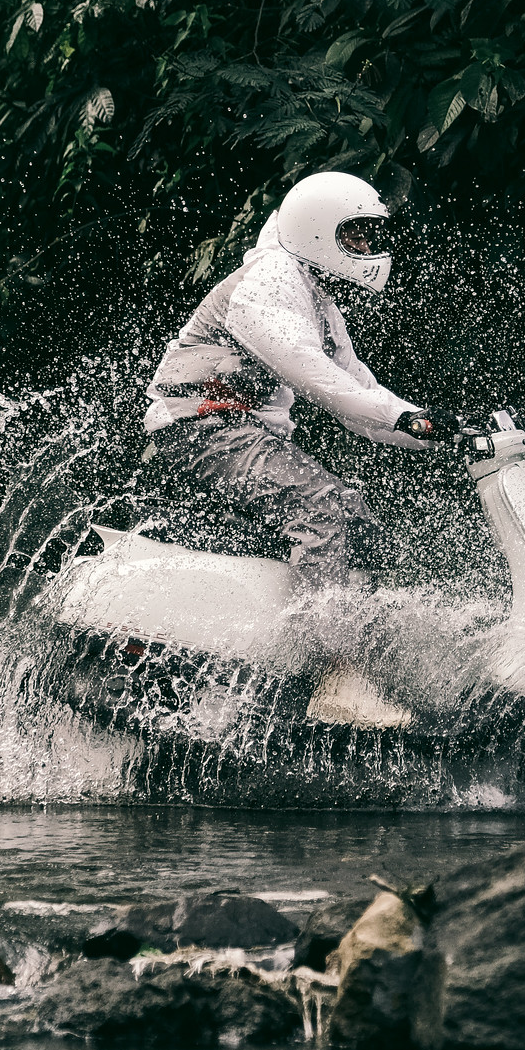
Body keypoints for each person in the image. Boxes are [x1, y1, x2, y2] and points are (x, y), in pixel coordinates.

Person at [141, 172, 452, 724]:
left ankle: (369, 672)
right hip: (201, 426)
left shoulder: (314, 294)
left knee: (360, 519)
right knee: (325, 509)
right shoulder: (270, 282)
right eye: (355, 236)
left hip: (238, 430)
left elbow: (359, 387)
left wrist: (442, 429)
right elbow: (320, 383)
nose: (369, 249)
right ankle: (335, 680)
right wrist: (404, 418)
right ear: (317, 231)